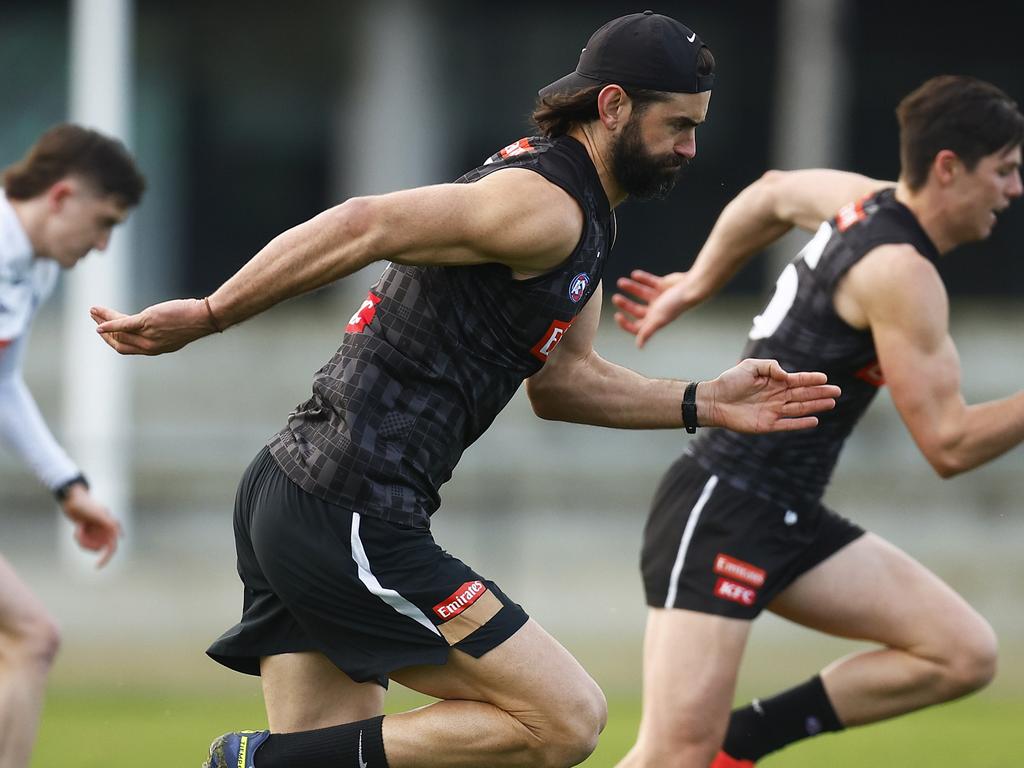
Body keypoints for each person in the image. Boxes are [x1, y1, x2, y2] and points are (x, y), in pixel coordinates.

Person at [93, 13, 839, 768]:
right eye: (677, 125)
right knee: (565, 719)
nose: (690, 148)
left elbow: (565, 384)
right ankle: (251, 762)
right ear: (612, 106)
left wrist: (704, 401)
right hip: (347, 503)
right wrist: (213, 313)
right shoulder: (543, 205)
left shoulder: (585, 218)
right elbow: (365, 221)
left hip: (306, 494)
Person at [610, 74, 1024, 768]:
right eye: (1005, 172)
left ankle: (738, 746)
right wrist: (699, 280)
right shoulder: (902, 271)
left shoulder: (866, 202)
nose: (1013, 192)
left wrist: (698, 281)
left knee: (962, 653)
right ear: (949, 168)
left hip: (787, 516)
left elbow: (772, 192)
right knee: (671, 757)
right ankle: (712, 750)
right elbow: (948, 444)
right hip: (724, 511)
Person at [0, 123, 144, 768]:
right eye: (103, 220)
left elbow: (2, 385)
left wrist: (69, 486)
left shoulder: (31, 271)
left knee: (31, 639)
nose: (103, 244)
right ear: (60, 197)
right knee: (30, 637)